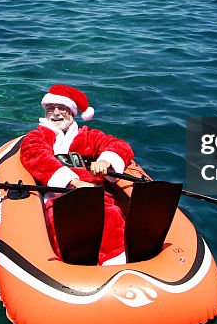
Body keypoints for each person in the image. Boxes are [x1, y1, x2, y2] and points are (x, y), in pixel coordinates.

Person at [20, 84, 133, 265]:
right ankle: (72, 272)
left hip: (96, 194)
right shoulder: (37, 136)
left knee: (110, 215)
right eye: (50, 109)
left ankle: (118, 264)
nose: (55, 113)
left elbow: (118, 145)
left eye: (61, 108)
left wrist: (107, 161)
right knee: (63, 226)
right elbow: (35, 156)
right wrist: (73, 182)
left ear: (72, 112)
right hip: (58, 197)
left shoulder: (90, 136)